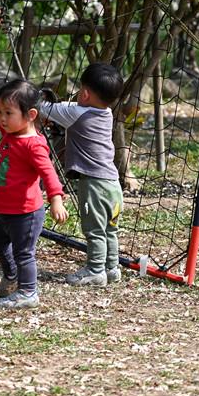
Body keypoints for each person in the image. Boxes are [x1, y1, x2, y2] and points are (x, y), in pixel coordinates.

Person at [38, 62, 124, 287]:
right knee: (110, 229)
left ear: (84, 94)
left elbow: (44, 108)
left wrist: (34, 97)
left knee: (94, 230)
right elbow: (70, 107)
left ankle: (95, 270)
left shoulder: (76, 114)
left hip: (94, 185)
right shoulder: (107, 113)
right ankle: (111, 268)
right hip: (113, 185)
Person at [0, 79, 69, 310]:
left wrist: (56, 199)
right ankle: (12, 275)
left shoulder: (33, 145)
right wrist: (2, 106)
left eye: (8, 113)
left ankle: (28, 292)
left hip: (26, 213)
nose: (2, 118)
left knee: (24, 253)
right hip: (5, 210)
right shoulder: (11, 133)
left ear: (31, 115)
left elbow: (49, 173)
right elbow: (2, 113)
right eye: (0, 112)